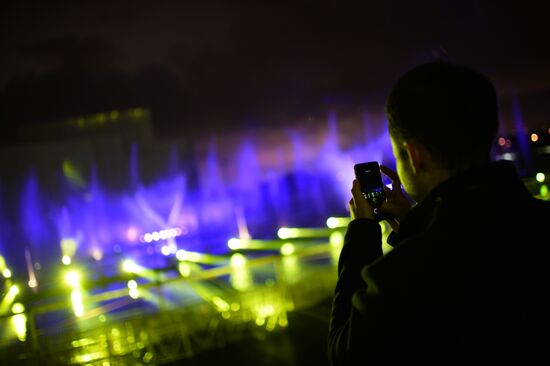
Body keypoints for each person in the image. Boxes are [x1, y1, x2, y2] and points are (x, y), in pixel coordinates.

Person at [327, 61, 550, 365]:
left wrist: (362, 234)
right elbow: (470, 242)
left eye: (398, 153)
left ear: (415, 155)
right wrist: (416, 225)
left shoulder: (399, 280)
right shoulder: (537, 223)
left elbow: (344, 350)